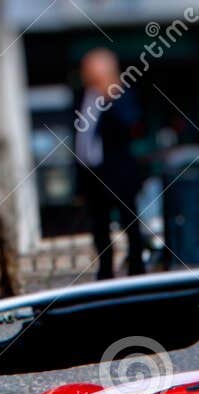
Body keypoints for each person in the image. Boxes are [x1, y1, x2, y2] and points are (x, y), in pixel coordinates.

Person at [74, 49, 143, 279]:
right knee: (99, 225)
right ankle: (105, 270)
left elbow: (130, 124)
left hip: (118, 173)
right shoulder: (83, 96)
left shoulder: (122, 95)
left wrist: (110, 97)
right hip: (92, 172)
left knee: (129, 222)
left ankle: (136, 268)